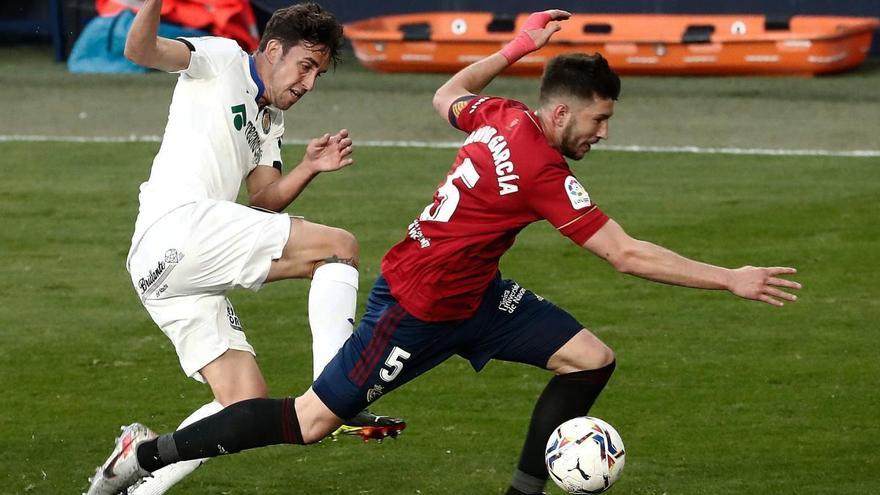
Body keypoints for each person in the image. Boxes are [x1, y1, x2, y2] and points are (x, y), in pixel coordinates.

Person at [85, 9, 801, 495]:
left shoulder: (500, 116)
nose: (603, 133)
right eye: (599, 119)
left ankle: (525, 487)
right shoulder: (543, 170)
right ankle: (148, 456)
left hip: (477, 296)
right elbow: (625, 254)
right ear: (561, 112)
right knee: (305, 417)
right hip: (414, 308)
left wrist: (516, 49)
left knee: (592, 358)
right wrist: (730, 277)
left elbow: (447, 94)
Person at [86, 2, 405, 494]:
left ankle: (131, 478)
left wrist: (308, 168)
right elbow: (139, 49)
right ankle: (337, 391)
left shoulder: (270, 119)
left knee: (243, 403)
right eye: (305, 66)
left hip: (164, 269)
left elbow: (264, 197)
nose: (309, 83)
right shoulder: (220, 57)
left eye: (318, 73)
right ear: (272, 49)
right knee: (338, 248)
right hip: (179, 227)